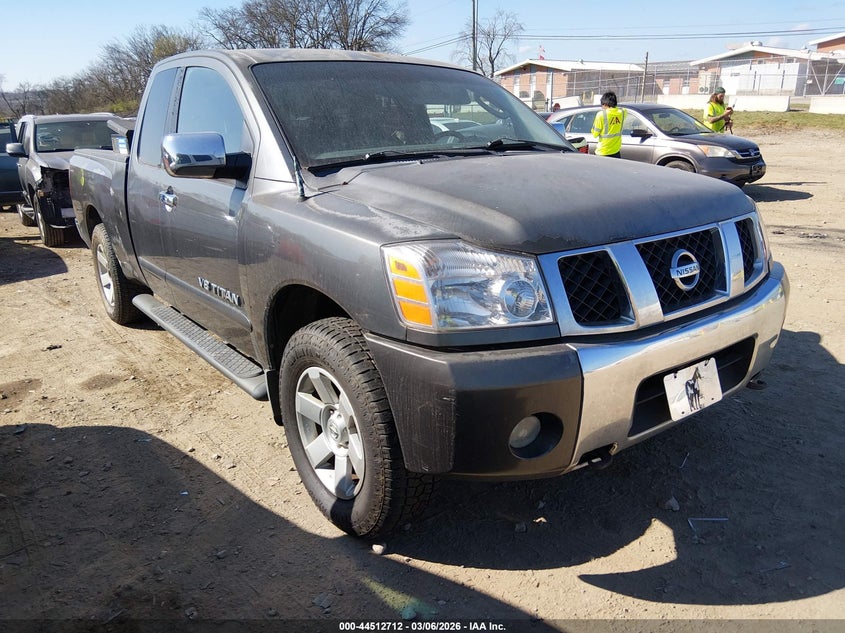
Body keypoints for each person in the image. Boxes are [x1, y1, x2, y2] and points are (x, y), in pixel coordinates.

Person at [591, 91, 626, 157]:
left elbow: (595, 134)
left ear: (605, 104)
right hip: (616, 151)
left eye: (602, 105)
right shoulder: (622, 112)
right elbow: (620, 109)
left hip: (603, 152)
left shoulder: (601, 115)